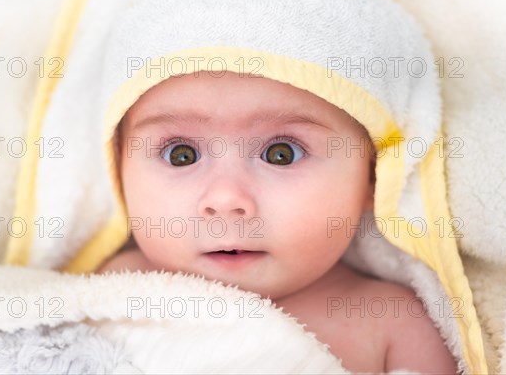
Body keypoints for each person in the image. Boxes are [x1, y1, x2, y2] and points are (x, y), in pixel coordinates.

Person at [97, 69, 457, 374]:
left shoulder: (392, 324)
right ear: (119, 168)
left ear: (373, 177)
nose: (226, 200)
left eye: (280, 154)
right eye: (181, 154)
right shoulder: (109, 292)